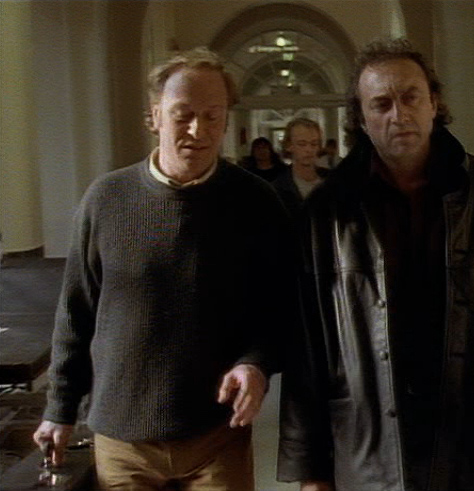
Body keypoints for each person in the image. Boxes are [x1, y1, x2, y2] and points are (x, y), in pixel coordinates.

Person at [277, 38, 474, 491]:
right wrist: (310, 468)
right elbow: (307, 346)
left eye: (411, 97)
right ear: (361, 119)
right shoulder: (328, 210)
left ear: (434, 103)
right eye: (381, 104)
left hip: (468, 434)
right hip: (366, 440)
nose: (398, 114)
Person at [34, 47, 295, 491]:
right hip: (122, 438)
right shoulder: (106, 200)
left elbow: (280, 309)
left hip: (217, 434)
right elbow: (76, 313)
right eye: (183, 114)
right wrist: (59, 409)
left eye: (212, 116)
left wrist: (256, 364)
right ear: (155, 116)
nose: (198, 130)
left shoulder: (256, 203)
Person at [271, 118, 325, 219]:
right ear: (289, 146)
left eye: (314, 144)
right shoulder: (278, 189)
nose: (309, 150)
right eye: (302, 144)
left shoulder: (332, 181)